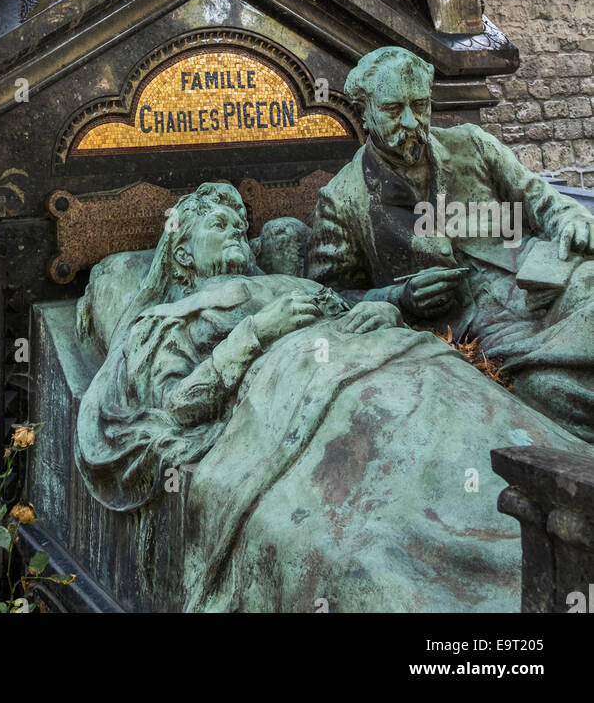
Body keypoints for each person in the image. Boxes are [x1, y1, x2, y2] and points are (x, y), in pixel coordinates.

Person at [76, 183, 586, 612]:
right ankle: (512, 571)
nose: (236, 230)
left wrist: (385, 314)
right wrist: (253, 334)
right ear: (183, 252)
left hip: (408, 364)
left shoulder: (285, 282)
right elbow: (174, 407)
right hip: (320, 400)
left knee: (482, 435)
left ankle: (563, 522)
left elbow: (355, 305)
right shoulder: (167, 320)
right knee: (414, 493)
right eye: (219, 225)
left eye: (239, 224)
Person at [308, 46, 594, 441]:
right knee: (552, 388)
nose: (410, 121)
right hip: (476, 325)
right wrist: (399, 297)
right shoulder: (341, 198)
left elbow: (542, 199)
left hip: (542, 277)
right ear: (365, 114)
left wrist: (571, 219)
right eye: (393, 110)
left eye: (419, 105)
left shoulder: (471, 144)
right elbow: (328, 297)